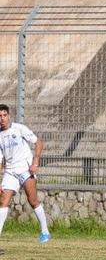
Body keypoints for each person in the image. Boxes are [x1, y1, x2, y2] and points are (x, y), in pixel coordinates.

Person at [0, 104, 51, 244]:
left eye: (4, 115)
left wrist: (35, 161)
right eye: (0, 116)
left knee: (33, 200)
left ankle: (45, 231)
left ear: (8, 116)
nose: (2, 118)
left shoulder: (19, 128)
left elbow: (38, 142)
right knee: (3, 201)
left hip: (25, 169)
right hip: (10, 172)